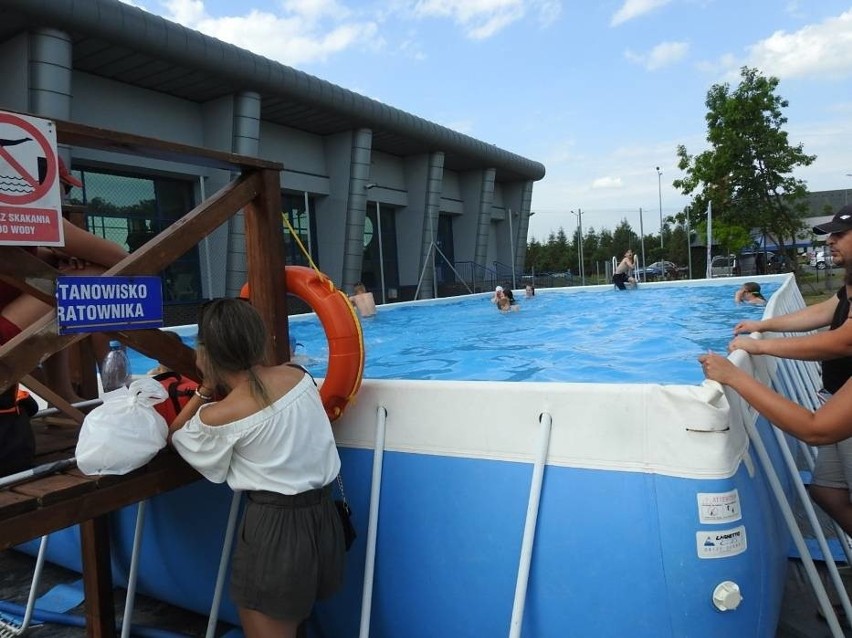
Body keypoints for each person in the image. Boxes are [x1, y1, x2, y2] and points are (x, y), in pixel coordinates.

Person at [169, 299, 345, 638]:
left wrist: (205, 388)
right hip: (323, 518)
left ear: (206, 354)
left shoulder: (220, 415)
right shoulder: (299, 377)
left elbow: (177, 436)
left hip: (275, 530)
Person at [726, 206, 852, 534]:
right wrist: (763, 324)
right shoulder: (849, 285)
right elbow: (825, 311)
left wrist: (758, 347)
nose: (831, 241)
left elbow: (843, 342)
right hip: (836, 399)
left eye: (840, 234)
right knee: (827, 491)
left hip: (842, 412)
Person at [0, 158, 128, 403]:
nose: (65, 195)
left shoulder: (12, 219)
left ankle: (63, 393)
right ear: (44, 185)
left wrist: (58, 257)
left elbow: (21, 260)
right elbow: (124, 259)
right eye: (64, 187)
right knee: (92, 277)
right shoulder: (37, 214)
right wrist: (71, 252)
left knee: (64, 287)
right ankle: (115, 395)